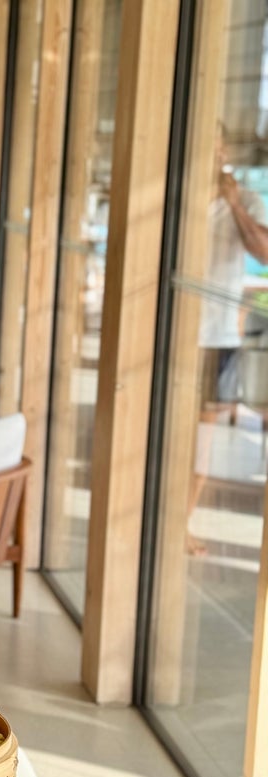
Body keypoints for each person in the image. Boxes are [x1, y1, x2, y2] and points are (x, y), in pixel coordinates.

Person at [187, 126, 268, 554]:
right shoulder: (177, 195)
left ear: (223, 151)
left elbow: (265, 253)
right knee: (165, 435)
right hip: (175, 336)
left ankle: (180, 525)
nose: (212, 153)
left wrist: (233, 203)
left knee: (201, 441)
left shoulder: (247, 201)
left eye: (217, 146)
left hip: (217, 337)